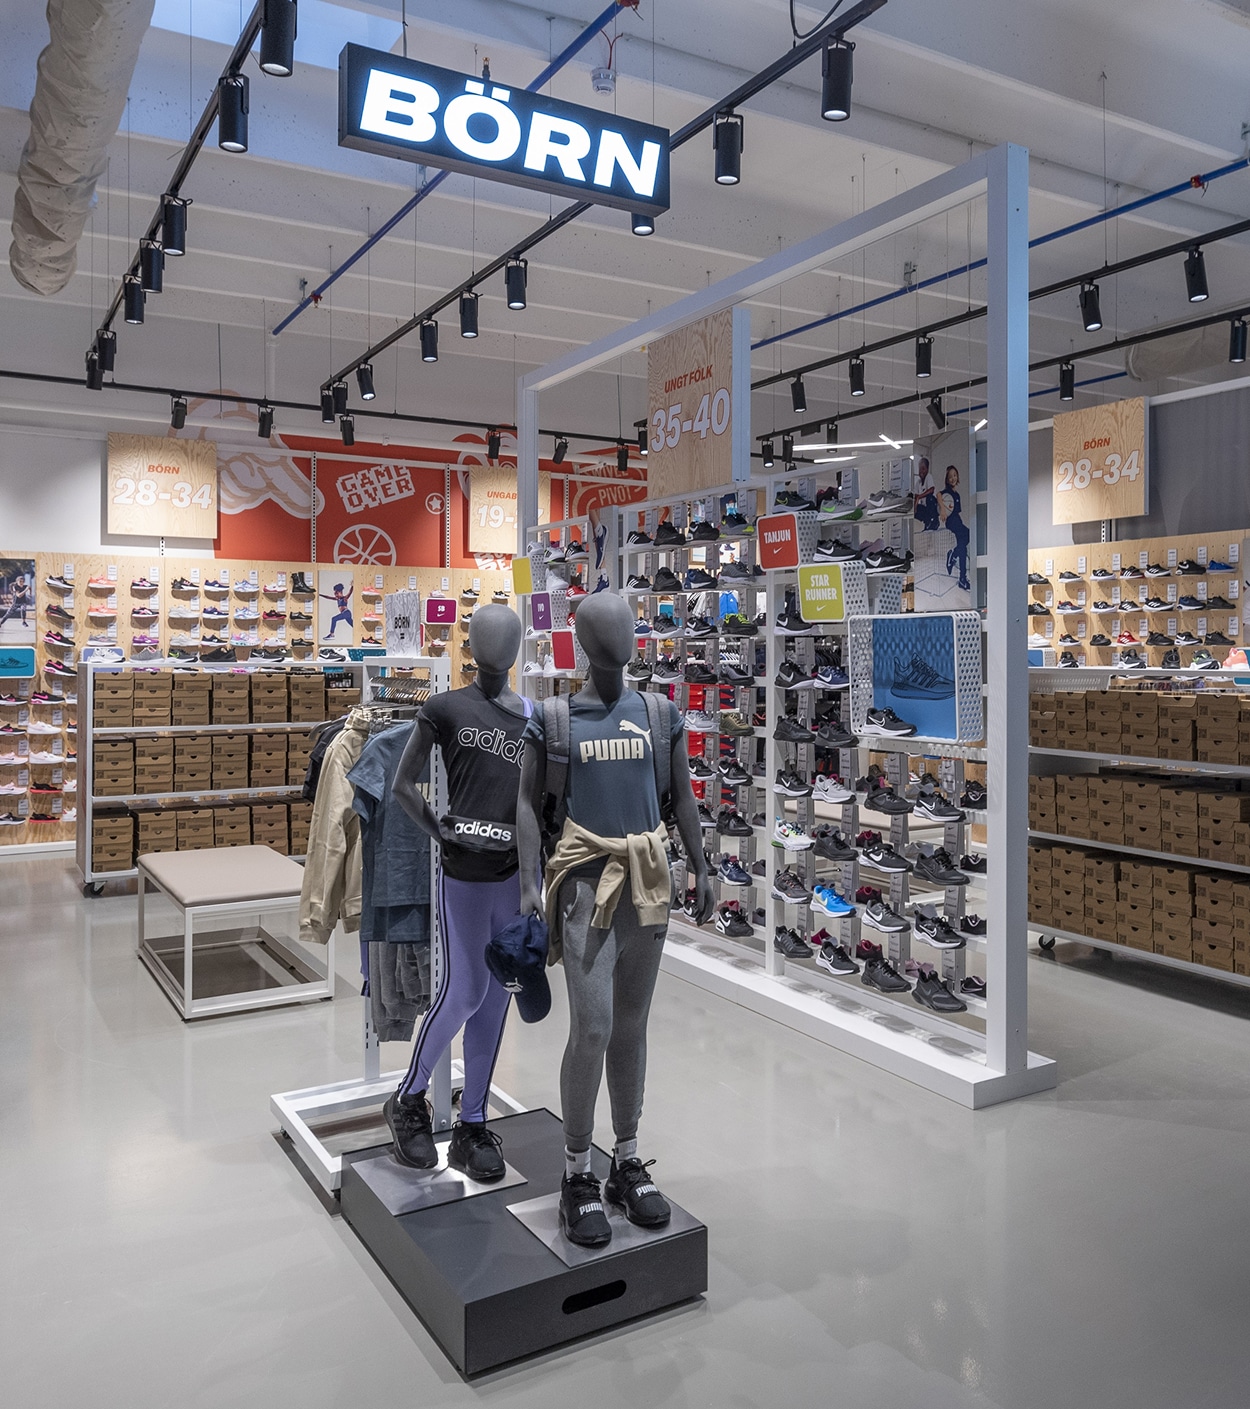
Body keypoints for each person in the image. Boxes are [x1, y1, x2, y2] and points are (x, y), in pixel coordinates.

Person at [938, 464, 971, 591]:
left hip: (958, 520)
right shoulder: (947, 493)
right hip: (951, 522)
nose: (953, 478)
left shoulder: (957, 495)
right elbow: (938, 495)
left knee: (964, 544)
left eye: (955, 475)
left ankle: (953, 555)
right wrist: (942, 509)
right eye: (950, 477)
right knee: (965, 541)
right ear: (947, 479)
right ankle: (962, 578)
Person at [913, 456, 941, 531]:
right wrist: (915, 507)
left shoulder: (929, 477)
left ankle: (934, 521)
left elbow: (931, 489)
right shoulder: (918, 482)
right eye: (919, 469)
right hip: (925, 508)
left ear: (927, 469)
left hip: (932, 507)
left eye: (923, 469)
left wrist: (919, 497)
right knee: (916, 508)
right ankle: (927, 522)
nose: (921, 471)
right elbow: (915, 496)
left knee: (930, 498)